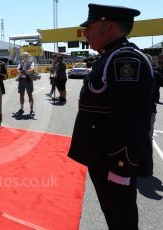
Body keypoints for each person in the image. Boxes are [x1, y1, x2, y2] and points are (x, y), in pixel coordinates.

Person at [68, 4, 154, 229]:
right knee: (114, 215)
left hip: (112, 162)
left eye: (90, 27)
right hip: (101, 157)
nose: (85, 33)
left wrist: (120, 167)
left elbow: (131, 120)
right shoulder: (110, 56)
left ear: (109, 27)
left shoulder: (124, 59)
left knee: (121, 219)